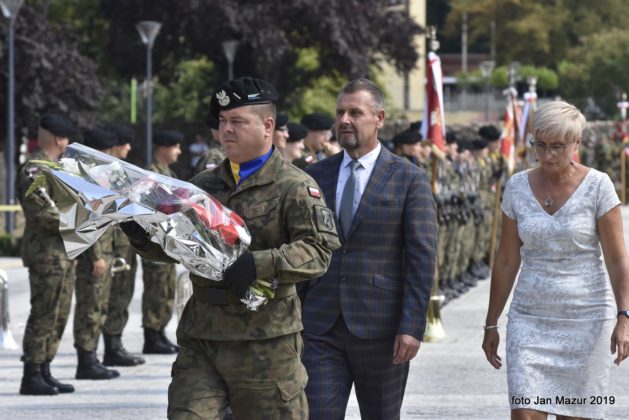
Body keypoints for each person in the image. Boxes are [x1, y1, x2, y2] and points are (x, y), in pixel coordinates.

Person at [122, 77, 340, 419]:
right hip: (203, 340)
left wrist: (258, 264)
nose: (227, 129)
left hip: (265, 346)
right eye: (223, 121)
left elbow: (318, 251)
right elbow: (175, 248)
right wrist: (140, 232)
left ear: (267, 126)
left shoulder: (294, 186)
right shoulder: (202, 186)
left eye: (238, 121)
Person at [482, 101, 629, 419]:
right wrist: (491, 322)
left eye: (558, 146)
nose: (547, 155)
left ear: (577, 143)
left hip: (586, 321)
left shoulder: (599, 186)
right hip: (529, 321)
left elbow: (617, 259)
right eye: (540, 145)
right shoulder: (517, 187)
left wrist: (624, 316)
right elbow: (506, 260)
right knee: (524, 413)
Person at [300, 78, 438, 419]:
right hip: (320, 327)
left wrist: (412, 326)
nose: (344, 120)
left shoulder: (409, 178)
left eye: (355, 112)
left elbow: (421, 259)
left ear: (379, 118)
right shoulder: (314, 176)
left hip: (382, 330)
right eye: (340, 113)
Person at [16, 114, 79, 395]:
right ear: (59, 139)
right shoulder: (34, 169)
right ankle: (31, 374)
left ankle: (45, 369)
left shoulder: (54, 168)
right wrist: (79, 224)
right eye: (66, 139)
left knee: (58, 313)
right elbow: (43, 213)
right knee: (44, 312)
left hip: (61, 253)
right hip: (46, 254)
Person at [73, 127, 121, 381]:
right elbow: (87, 221)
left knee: (99, 306)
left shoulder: (98, 177)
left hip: (104, 252)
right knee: (90, 308)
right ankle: (86, 361)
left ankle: (92, 357)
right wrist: (96, 256)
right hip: (94, 254)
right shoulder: (88, 179)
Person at [101, 123, 145, 367]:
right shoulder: (106, 174)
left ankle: (115, 343)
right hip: (113, 246)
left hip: (126, 244)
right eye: (126, 143)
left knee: (123, 294)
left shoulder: (121, 172)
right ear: (116, 145)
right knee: (113, 297)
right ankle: (110, 347)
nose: (129, 148)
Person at [141, 129, 183, 354]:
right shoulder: (150, 175)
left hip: (168, 242)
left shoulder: (169, 174)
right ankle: (151, 335)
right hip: (155, 241)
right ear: (164, 148)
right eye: (176, 147)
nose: (179, 151)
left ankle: (160, 332)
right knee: (155, 289)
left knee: (167, 289)